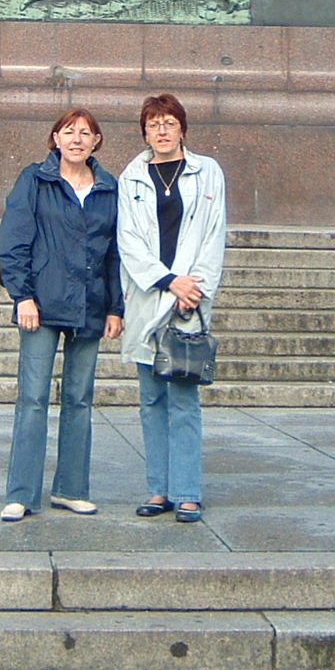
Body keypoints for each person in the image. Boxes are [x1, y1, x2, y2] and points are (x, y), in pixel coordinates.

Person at [0, 108, 121, 521]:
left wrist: (115, 307)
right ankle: (21, 493)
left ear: (96, 141)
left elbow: (115, 253)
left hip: (90, 303)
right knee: (33, 399)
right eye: (69, 132)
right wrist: (22, 296)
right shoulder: (35, 180)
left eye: (85, 133)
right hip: (42, 303)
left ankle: (71, 488)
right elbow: (13, 240)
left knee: (79, 399)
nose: (77, 139)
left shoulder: (109, 188)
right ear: (55, 139)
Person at [117, 92, 226, 523]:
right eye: (153, 124)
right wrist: (166, 280)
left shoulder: (207, 172)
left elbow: (214, 234)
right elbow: (128, 240)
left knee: (183, 398)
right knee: (151, 400)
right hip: (149, 296)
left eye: (169, 123)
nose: (161, 131)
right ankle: (158, 489)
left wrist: (191, 285)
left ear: (182, 128)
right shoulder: (131, 177)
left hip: (188, 301)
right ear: (144, 132)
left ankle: (187, 491)